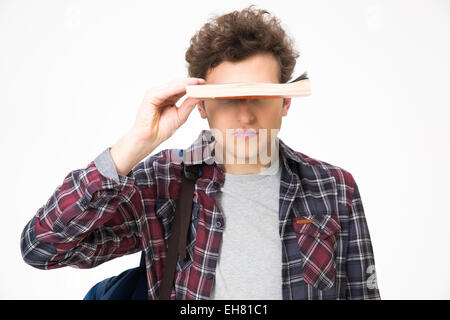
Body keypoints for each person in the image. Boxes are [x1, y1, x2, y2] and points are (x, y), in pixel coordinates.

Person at [20, 5, 380, 300]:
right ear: (202, 107)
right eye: (227, 98)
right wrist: (135, 144)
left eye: (259, 95)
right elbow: (42, 248)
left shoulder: (333, 187)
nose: (244, 114)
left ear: (285, 101)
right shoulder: (167, 179)